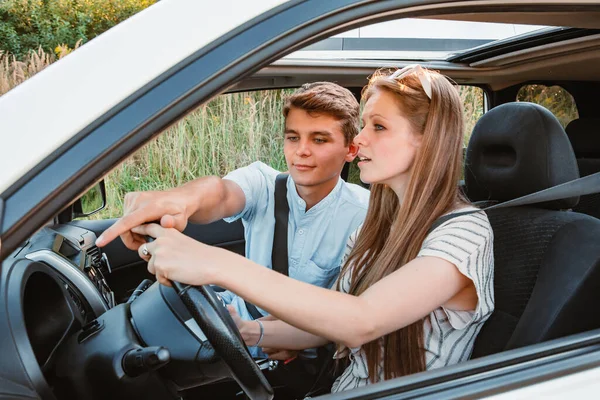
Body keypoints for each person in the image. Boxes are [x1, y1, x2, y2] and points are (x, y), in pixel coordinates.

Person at [130, 65, 495, 392]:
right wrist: (247, 332)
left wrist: (214, 264)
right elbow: (327, 326)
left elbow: (360, 320)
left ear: (428, 139)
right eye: (365, 125)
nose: (362, 139)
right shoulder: (378, 228)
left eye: (378, 127)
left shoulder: (465, 235)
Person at [96, 82, 370, 360]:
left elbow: (355, 315)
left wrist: (285, 337)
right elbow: (220, 193)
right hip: (228, 320)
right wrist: (179, 199)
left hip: (304, 353)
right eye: (293, 137)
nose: (301, 150)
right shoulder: (263, 183)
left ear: (350, 150)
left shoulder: (365, 216)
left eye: (319, 140)